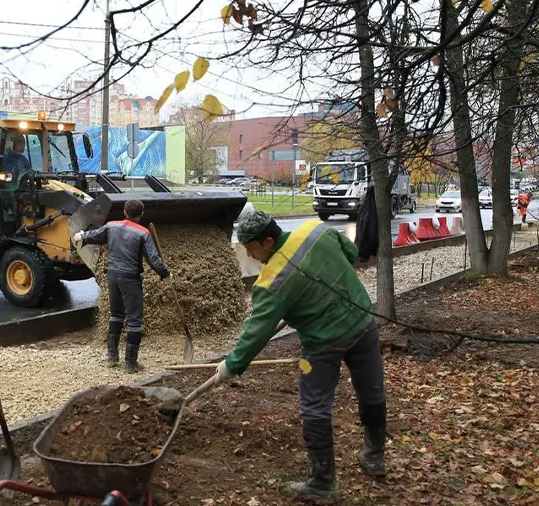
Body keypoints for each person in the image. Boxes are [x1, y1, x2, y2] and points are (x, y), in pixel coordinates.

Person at [208, 210, 386, 503]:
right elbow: (351, 251)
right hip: (362, 323)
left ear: (267, 241)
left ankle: (323, 482)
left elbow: (256, 332)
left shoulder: (271, 283)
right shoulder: (317, 230)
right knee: (372, 390)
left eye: (252, 249)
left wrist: (232, 364)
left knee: (314, 406)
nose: (251, 257)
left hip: (323, 343)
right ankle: (375, 456)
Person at [72, 199, 172, 373]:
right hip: (130, 278)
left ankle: (112, 357)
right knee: (134, 319)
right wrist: (165, 274)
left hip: (112, 275)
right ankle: (131, 364)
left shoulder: (112, 226)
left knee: (116, 314)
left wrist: (82, 236)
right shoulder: (143, 233)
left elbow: (95, 235)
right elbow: (153, 259)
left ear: (125, 212)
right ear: (141, 215)